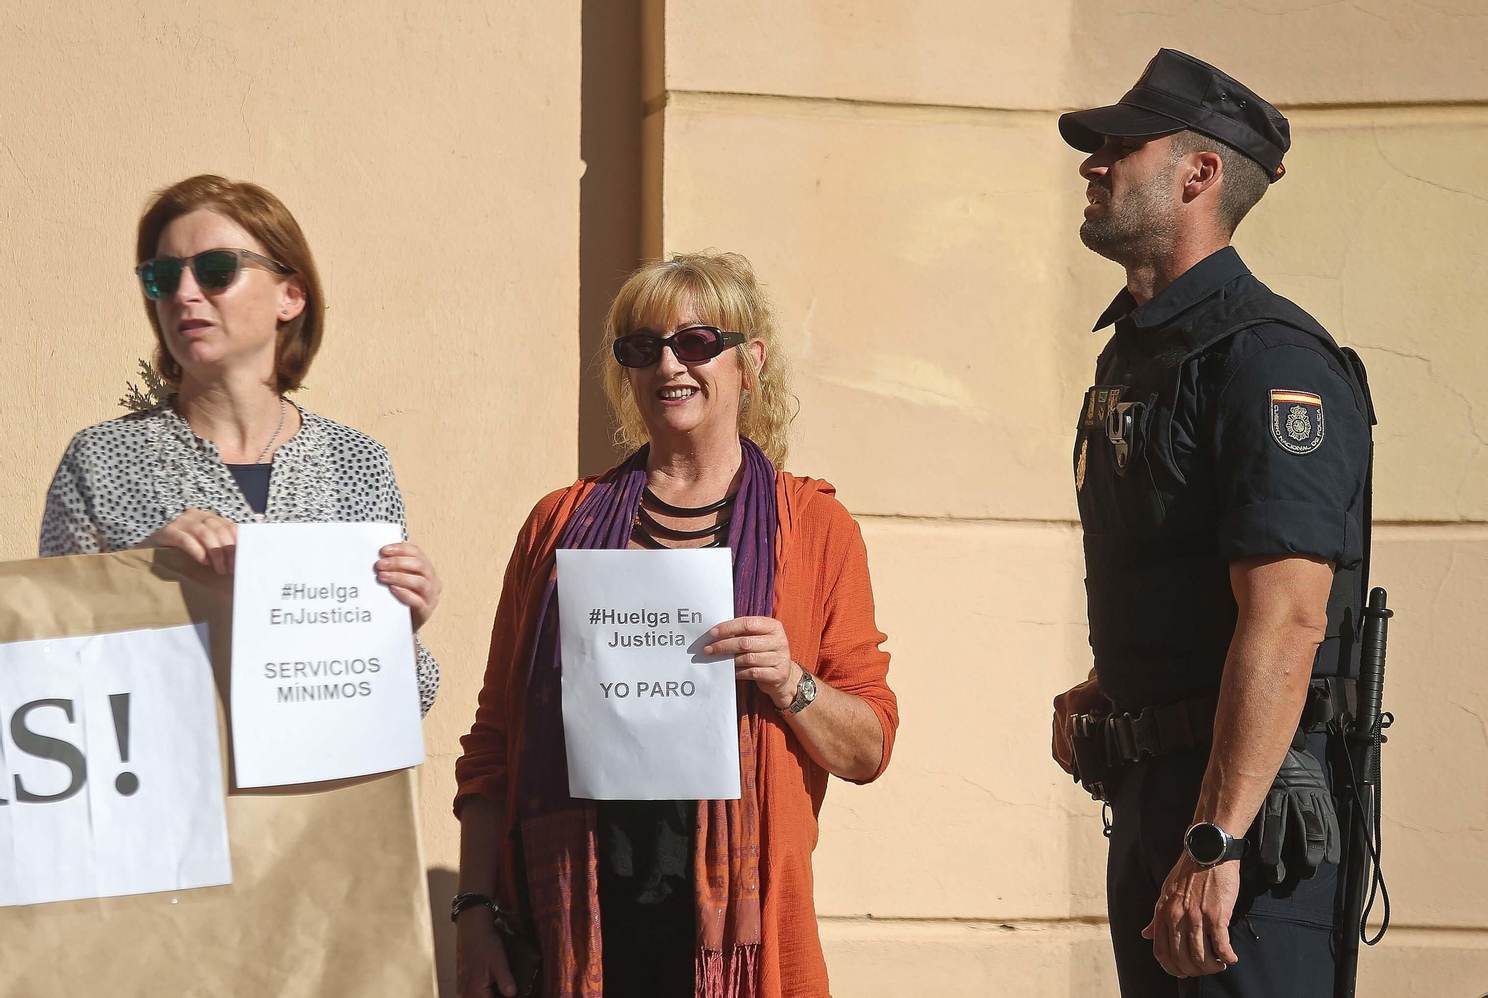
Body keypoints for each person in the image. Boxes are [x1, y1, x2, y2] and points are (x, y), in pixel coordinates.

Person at [453, 251, 897, 998]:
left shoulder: (813, 528)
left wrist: (790, 682)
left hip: (735, 925)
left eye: (696, 342)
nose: (669, 364)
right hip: (574, 915)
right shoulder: (557, 525)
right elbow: (495, 737)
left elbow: (869, 746)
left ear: (750, 362)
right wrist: (472, 910)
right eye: (642, 347)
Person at [1048, 50, 1375, 996]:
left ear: (1199, 175)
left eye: (1121, 144)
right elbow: (1190, 574)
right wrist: (1117, 680)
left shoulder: (1269, 360)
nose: (1093, 163)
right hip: (1161, 798)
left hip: (1246, 834)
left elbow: (1289, 617)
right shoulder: (1147, 353)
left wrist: (1216, 840)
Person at [39, 174, 442, 714]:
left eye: (215, 271)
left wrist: (396, 631)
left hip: (313, 794)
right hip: (167, 790)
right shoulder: (103, 461)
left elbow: (410, 701)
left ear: (291, 295)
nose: (184, 294)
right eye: (162, 276)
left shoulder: (357, 462)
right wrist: (137, 579)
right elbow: (46, 673)